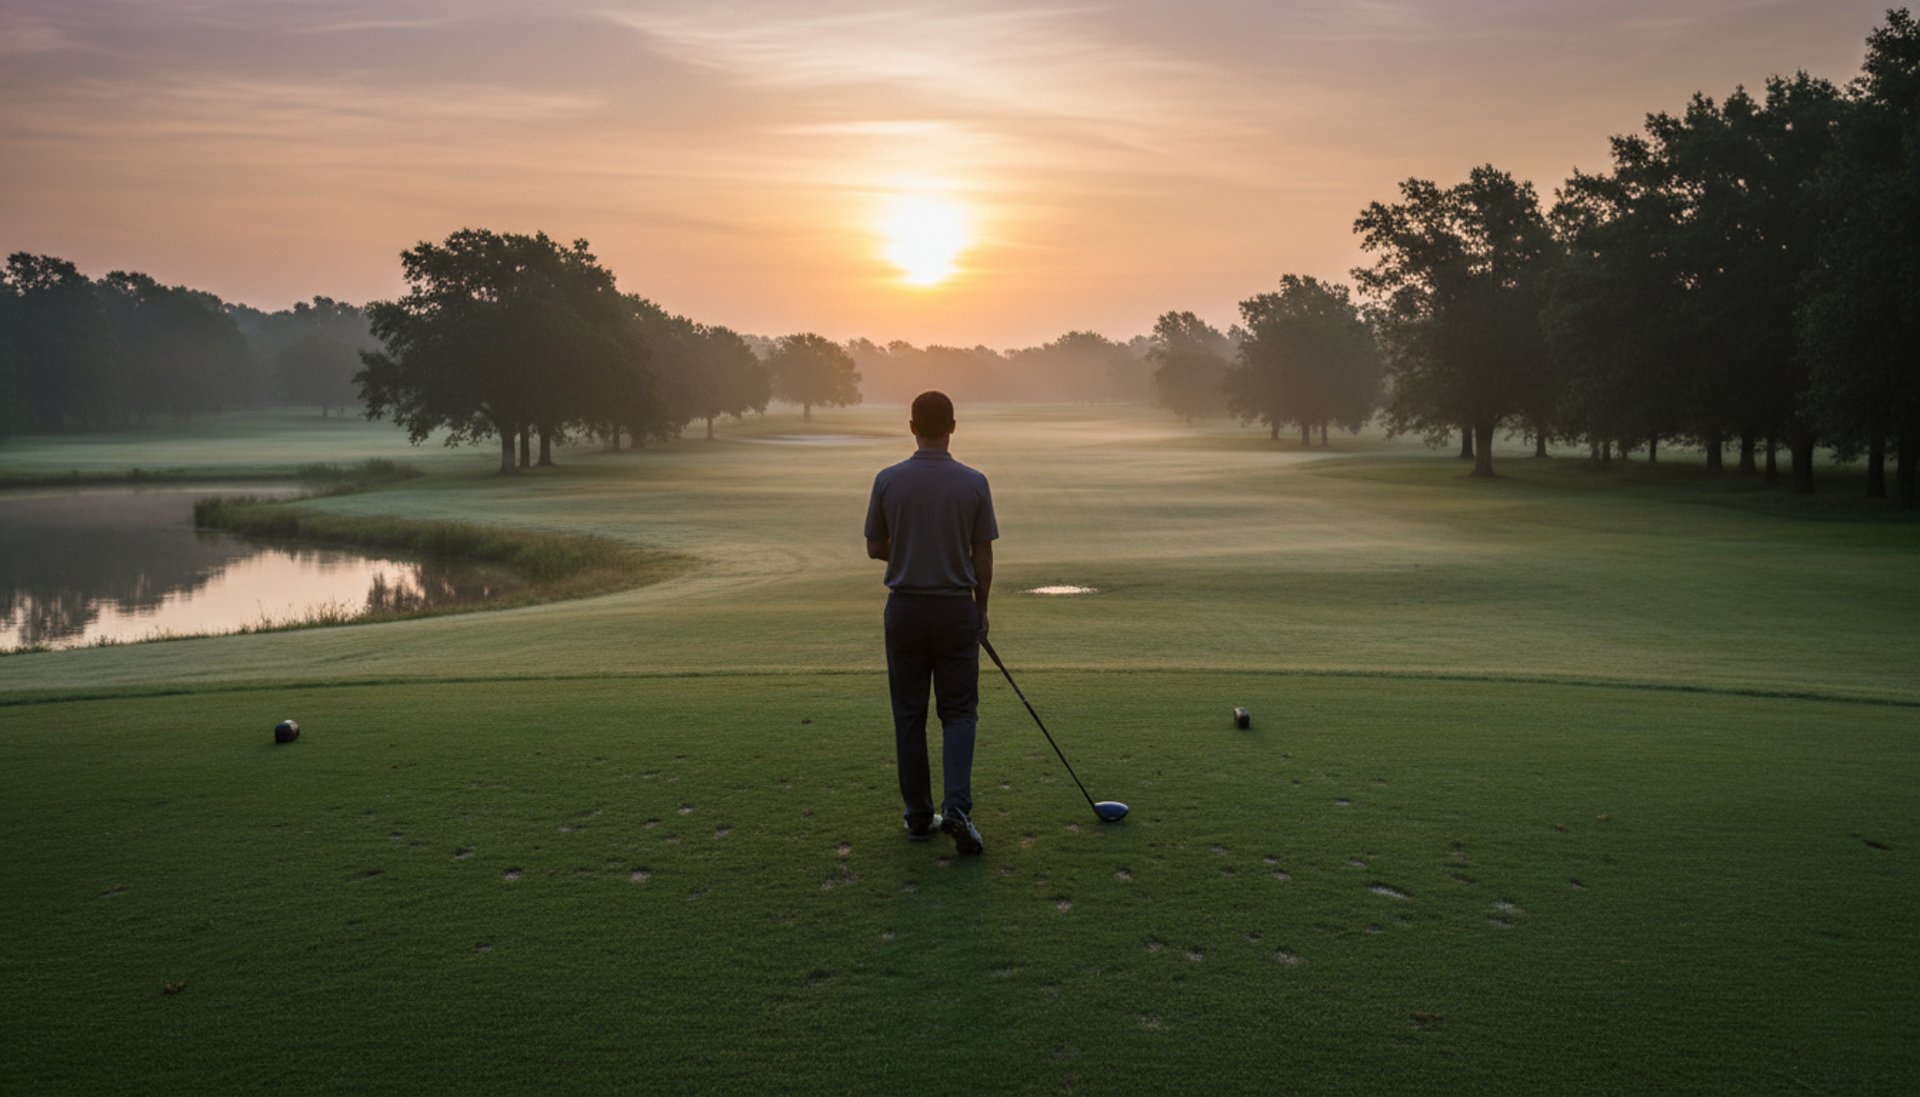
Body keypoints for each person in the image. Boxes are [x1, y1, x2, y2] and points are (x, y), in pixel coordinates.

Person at [864, 390, 998, 855]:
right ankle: (957, 811)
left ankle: (919, 816)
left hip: (904, 610)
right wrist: (980, 613)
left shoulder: (888, 480)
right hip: (955, 608)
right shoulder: (974, 482)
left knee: (910, 715)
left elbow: (874, 547)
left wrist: (909, 548)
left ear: (912, 426)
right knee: (959, 713)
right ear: (953, 427)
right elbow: (982, 553)